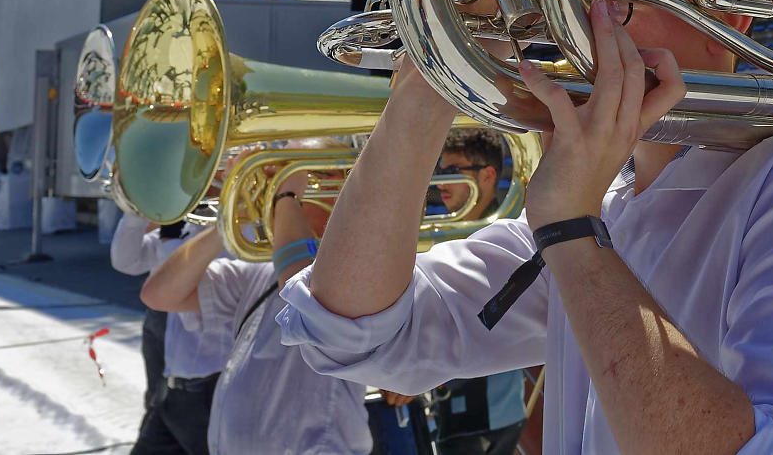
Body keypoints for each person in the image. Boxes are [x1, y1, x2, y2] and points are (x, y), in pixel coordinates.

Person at [277, 0, 773, 455]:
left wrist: (574, 231)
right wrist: (432, 75)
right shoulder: (600, 207)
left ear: (731, 14)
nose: (570, 28)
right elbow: (354, 336)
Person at [140, 150, 373, 455]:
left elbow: (308, 288)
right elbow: (158, 294)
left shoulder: (355, 270)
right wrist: (232, 216)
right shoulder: (258, 270)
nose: (277, 184)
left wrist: (287, 197)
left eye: (313, 173)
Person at [423, 129, 531, 455]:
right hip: (478, 411)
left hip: (481, 411)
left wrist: (422, 373)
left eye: (453, 172)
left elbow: (483, 326)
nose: (441, 182)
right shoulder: (441, 231)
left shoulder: (507, 238)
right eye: (440, 172)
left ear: (487, 175)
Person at [112, 207, 231, 455]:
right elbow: (125, 261)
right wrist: (134, 213)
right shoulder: (181, 228)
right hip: (171, 383)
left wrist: (170, 244)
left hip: (206, 392)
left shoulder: (233, 238)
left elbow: (188, 307)